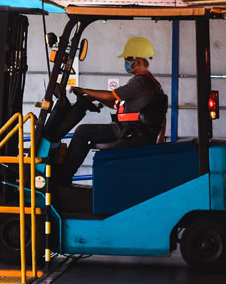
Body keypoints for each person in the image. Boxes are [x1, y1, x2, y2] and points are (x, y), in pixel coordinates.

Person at [54, 36, 167, 185]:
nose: (126, 63)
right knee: (85, 134)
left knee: (82, 132)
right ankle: (64, 177)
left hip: (128, 131)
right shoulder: (150, 83)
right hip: (133, 131)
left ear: (139, 61)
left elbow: (111, 95)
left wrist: (82, 90)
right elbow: (115, 103)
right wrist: (91, 97)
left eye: (129, 59)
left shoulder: (141, 81)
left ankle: (62, 179)